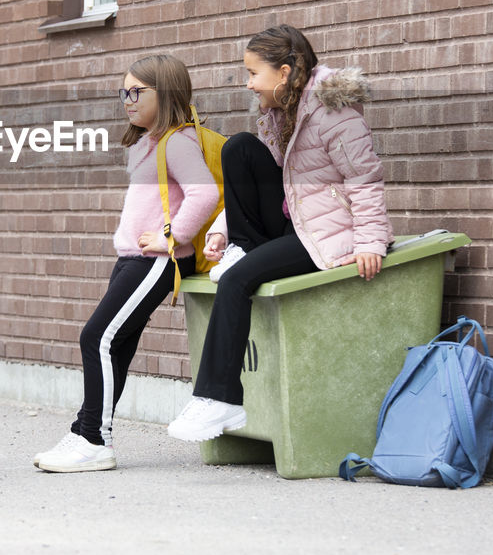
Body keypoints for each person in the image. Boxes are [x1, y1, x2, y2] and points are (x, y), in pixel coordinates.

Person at [166, 25, 392, 442]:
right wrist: (224, 229)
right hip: (290, 223)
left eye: (254, 73)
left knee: (236, 281)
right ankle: (242, 247)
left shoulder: (333, 113)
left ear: (284, 72)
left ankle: (219, 400)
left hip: (322, 235)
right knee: (239, 148)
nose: (249, 82)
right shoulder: (278, 113)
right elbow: (261, 182)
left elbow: (365, 179)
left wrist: (370, 242)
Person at [33, 54, 219, 472]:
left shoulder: (178, 140)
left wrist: (172, 236)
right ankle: (85, 432)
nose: (127, 100)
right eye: (124, 91)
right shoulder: (147, 142)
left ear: (165, 93)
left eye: (137, 92)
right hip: (133, 258)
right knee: (114, 344)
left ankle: (95, 440)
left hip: (156, 259)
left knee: (95, 336)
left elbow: (204, 194)